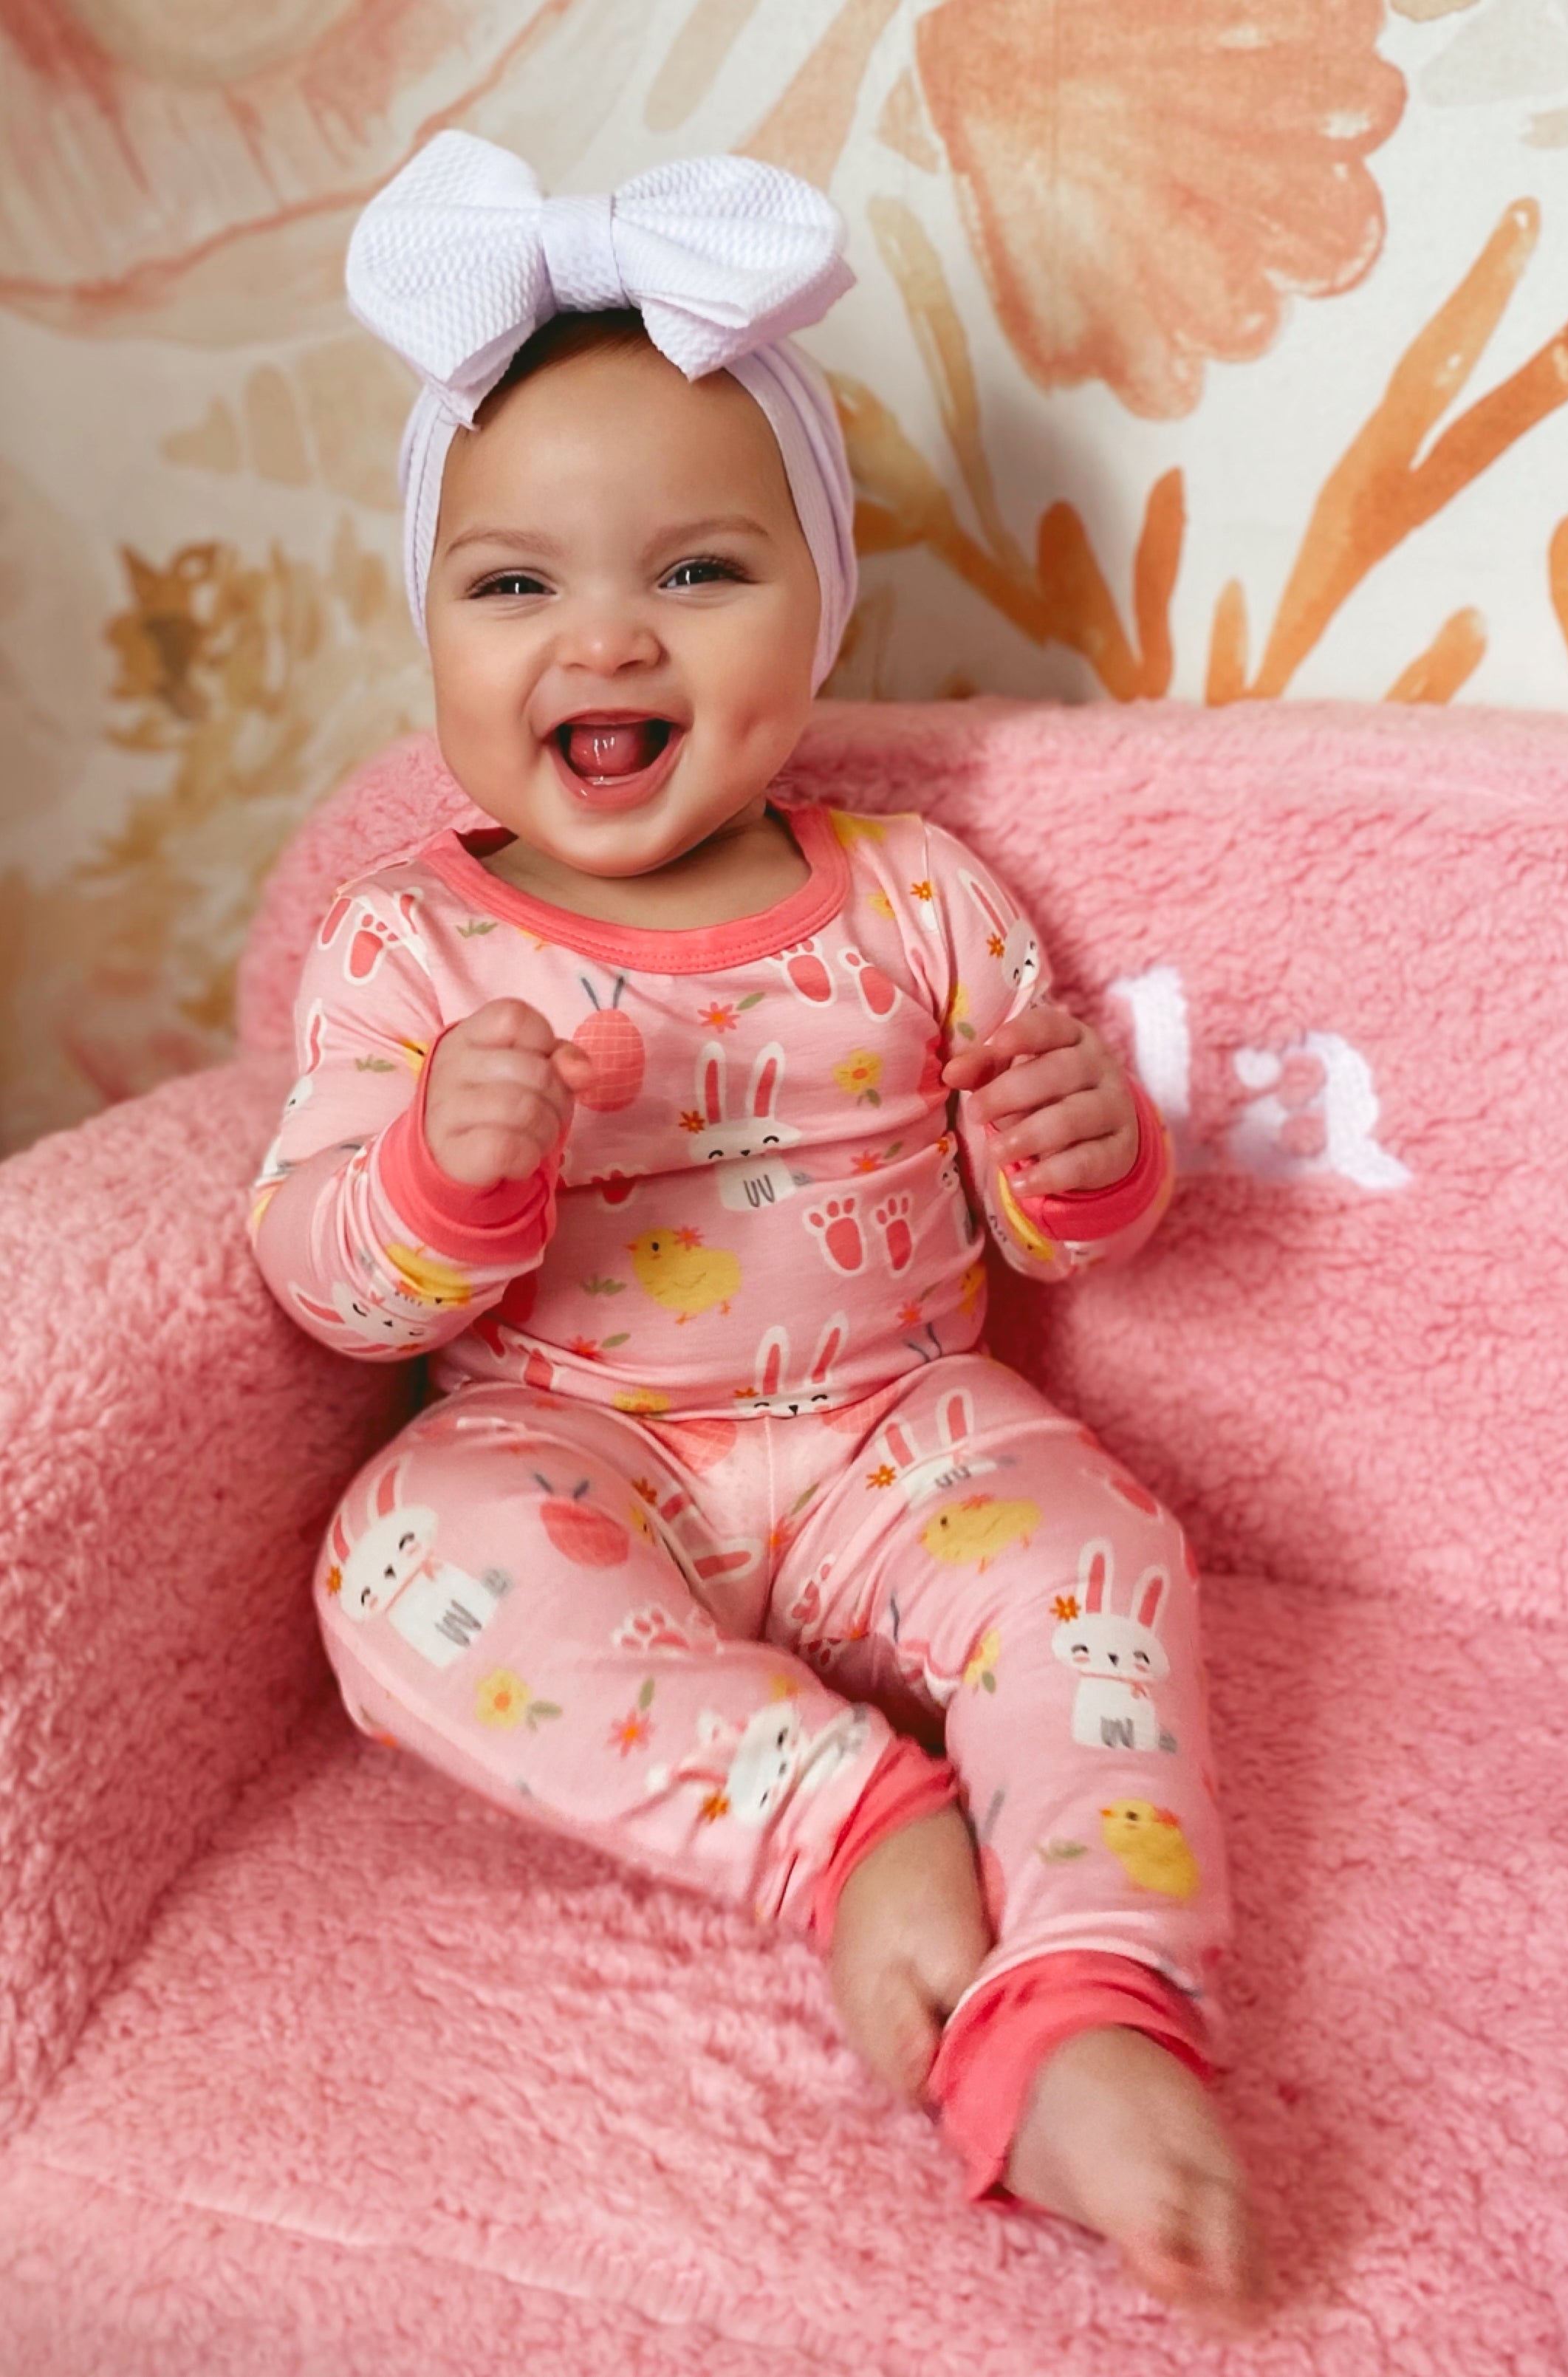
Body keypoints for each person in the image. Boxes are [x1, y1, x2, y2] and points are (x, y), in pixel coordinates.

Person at [250, 133, 1261, 2324]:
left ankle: (1094, 1992)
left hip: (903, 1427)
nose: (603, 635)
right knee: (399, 1561)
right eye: (510, 586)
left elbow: (1059, 1224)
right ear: (430, 629)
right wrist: (434, 1177)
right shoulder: (411, 940)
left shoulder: (917, 895)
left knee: (1100, 1550)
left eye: (699, 570)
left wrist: (1089, 1147)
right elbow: (318, 1273)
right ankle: (846, 1824)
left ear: (824, 603)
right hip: (574, 1447)